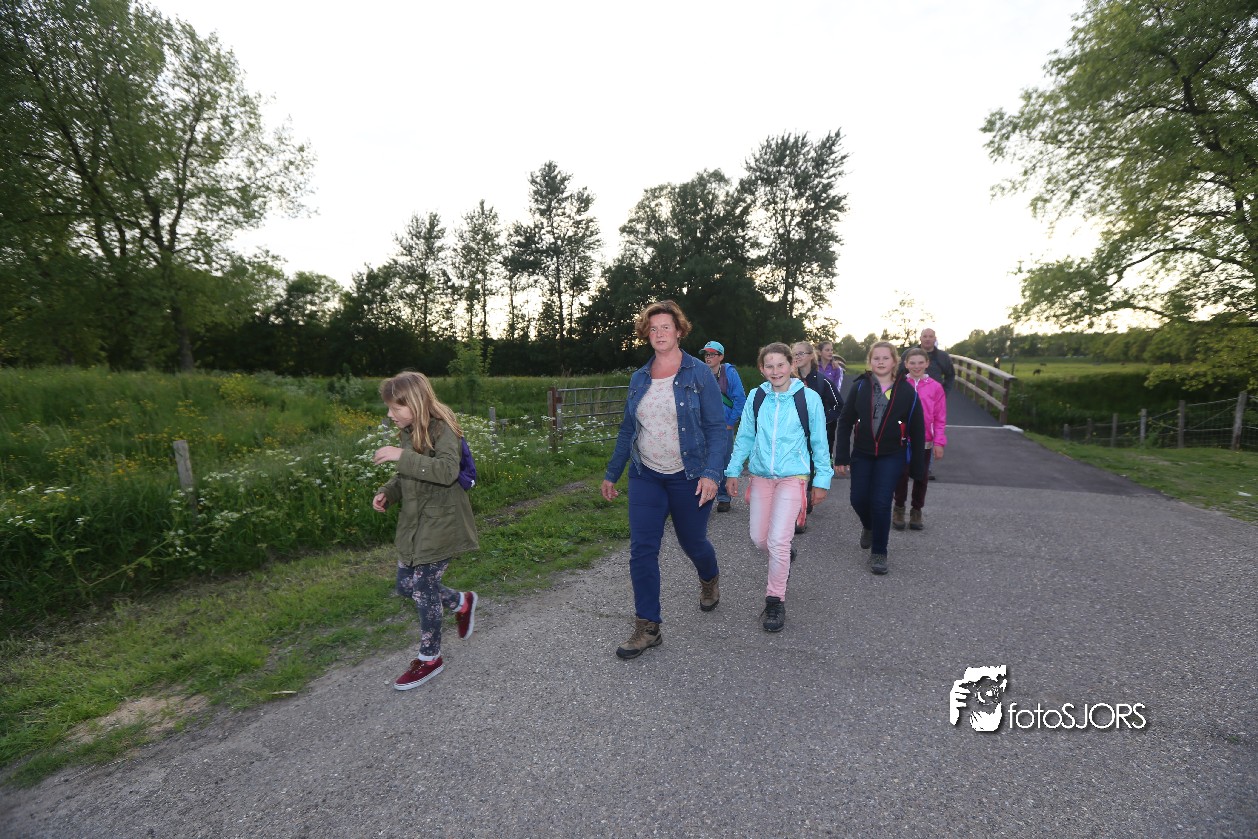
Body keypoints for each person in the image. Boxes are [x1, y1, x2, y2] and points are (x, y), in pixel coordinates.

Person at [602, 300, 725, 660]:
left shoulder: (699, 374)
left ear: (679, 331)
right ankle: (648, 628)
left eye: (665, 327)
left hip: (690, 476)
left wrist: (712, 474)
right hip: (646, 475)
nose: (659, 333)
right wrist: (612, 473)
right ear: (647, 334)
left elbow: (717, 429)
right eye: (653, 328)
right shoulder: (640, 378)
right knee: (642, 549)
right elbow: (628, 429)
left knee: (693, 542)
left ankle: (709, 578)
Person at [372, 371, 480, 690]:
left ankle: (430, 658)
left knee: (422, 585)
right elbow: (408, 474)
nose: (390, 414)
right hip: (416, 523)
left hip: (442, 522)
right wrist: (388, 492)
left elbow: (446, 471)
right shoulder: (410, 430)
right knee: (405, 586)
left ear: (416, 404)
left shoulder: (443, 428)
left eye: (396, 408)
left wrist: (401, 456)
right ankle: (461, 602)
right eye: (389, 408)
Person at [725, 343, 833, 633]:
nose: (776, 371)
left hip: (793, 477)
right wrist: (733, 470)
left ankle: (775, 600)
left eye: (781, 365)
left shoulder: (808, 398)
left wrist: (821, 480)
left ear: (792, 365)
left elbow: (819, 441)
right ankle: (784, 554)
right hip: (761, 475)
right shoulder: (756, 396)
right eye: (769, 366)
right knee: (760, 539)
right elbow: (745, 436)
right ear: (762, 369)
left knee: (777, 542)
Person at [834, 341, 926, 576]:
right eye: (876, 358)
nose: (881, 362)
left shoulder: (907, 392)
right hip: (862, 453)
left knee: (881, 502)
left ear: (895, 361)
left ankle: (879, 551)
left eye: (886, 358)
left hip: (892, 455)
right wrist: (841, 456)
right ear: (870, 361)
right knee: (858, 499)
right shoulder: (860, 387)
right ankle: (869, 526)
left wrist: (918, 468)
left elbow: (917, 430)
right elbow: (845, 421)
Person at [892, 348, 948, 532]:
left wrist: (939, 442)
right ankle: (899, 509)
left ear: (927, 363)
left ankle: (916, 510)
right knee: (901, 476)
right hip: (902, 439)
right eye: (912, 363)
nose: (916, 366)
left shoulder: (935, 387)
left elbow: (940, 417)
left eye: (920, 362)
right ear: (906, 364)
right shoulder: (899, 385)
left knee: (921, 477)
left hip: (925, 441)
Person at [790, 341, 841, 531]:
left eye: (801, 353)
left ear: (811, 356)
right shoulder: (787, 380)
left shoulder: (821, 381)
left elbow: (838, 405)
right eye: (794, 354)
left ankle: (802, 510)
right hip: (793, 438)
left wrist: (821, 421)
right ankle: (797, 508)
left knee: (808, 472)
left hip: (814, 439)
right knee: (794, 473)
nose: (797, 357)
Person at [701, 340, 746, 513]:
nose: (708, 357)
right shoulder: (701, 373)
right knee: (705, 460)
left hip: (724, 426)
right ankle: (705, 494)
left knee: (725, 460)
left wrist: (730, 422)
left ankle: (724, 497)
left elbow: (740, 399)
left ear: (721, 357)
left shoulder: (730, 373)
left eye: (712, 354)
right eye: (706, 354)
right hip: (704, 425)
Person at [915, 328, 955, 393]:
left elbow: (950, 376)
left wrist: (944, 392)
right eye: (925, 336)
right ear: (920, 338)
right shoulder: (909, 354)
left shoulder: (943, 356)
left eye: (931, 336)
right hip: (913, 395)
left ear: (935, 339)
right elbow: (900, 374)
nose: (927, 339)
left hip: (935, 395)